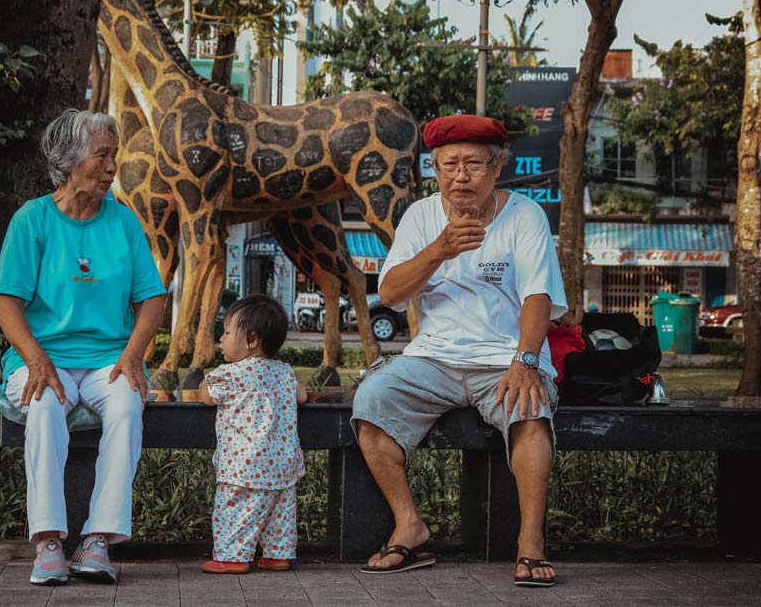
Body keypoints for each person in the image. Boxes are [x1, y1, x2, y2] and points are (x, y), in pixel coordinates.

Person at [351, 114, 567, 587]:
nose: (460, 176)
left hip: (507, 358)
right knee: (371, 401)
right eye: (449, 164)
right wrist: (437, 251)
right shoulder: (421, 216)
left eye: (473, 164)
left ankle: (530, 541)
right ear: (434, 168)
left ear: (497, 167)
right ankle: (409, 523)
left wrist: (527, 360)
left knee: (530, 411)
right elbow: (389, 294)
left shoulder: (524, 215)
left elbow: (538, 296)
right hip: (434, 358)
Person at [0, 108, 165, 586]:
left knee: (128, 406)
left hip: (108, 360)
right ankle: (48, 541)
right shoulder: (33, 220)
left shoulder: (124, 223)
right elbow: (7, 303)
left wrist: (132, 355)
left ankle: (98, 541)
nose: (112, 167)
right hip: (41, 356)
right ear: (70, 162)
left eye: (114, 156)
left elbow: (151, 299)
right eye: (102, 156)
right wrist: (35, 358)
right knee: (44, 404)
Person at [197, 294, 308, 574]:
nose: (221, 339)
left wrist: (202, 385)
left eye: (227, 332)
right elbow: (302, 396)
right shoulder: (284, 372)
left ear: (252, 340)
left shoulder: (231, 374)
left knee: (233, 508)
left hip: (245, 465)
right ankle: (277, 555)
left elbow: (208, 397)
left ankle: (232, 557)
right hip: (283, 463)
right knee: (280, 512)